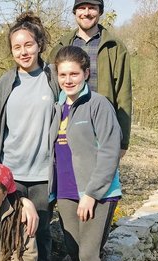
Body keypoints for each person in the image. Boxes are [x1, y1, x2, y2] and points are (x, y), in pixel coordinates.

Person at [50, 46, 122, 261]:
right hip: (66, 194)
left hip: (97, 194)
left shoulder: (98, 105)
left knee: (89, 254)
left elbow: (109, 151)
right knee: (75, 252)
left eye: (74, 74)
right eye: (63, 74)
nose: (68, 79)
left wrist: (92, 194)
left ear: (86, 74)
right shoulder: (58, 107)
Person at [0, 12, 59, 261]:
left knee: (40, 227)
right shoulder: (6, 82)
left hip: (43, 172)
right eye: (17, 47)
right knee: (10, 225)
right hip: (12, 170)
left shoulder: (52, 78)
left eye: (28, 45)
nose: (23, 51)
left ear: (39, 44)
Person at [48, 0, 132, 157]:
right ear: (75, 12)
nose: (86, 12)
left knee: (100, 179)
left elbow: (124, 96)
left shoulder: (115, 48)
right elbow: (51, 90)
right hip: (66, 129)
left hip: (101, 131)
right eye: (81, 7)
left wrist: (123, 142)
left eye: (92, 8)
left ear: (100, 11)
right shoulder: (61, 47)